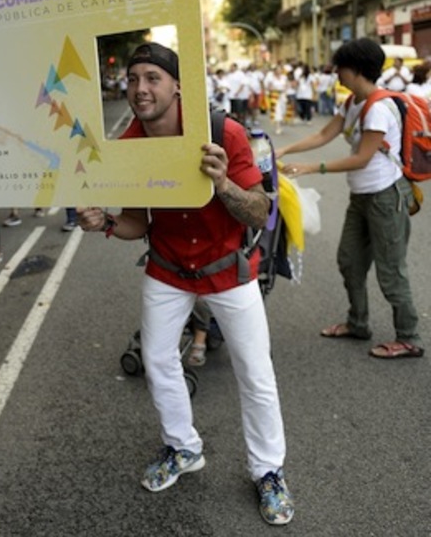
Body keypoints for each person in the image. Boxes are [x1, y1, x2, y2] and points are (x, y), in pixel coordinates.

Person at [79, 43, 294, 525]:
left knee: (255, 373)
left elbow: (259, 211)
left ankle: (268, 470)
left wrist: (224, 185)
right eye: (133, 79)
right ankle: (182, 447)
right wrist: (106, 223)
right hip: (168, 268)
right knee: (157, 361)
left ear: (177, 86)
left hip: (227, 268)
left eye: (152, 78)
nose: (140, 89)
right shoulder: (130, 143)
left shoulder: (223, 132)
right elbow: (136, 221)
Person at [276, 38, 422, 359]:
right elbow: (323, 134)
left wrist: (312, 168)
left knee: (390, 270)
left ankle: (409, 337)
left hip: (386, 197)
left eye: (340, 68)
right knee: (349, 261)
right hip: (361, 197)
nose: (336, 74)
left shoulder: (378, 109)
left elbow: (361, 159)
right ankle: (358, 323)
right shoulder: (353, 102)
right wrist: (285, 149)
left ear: (356, 70)